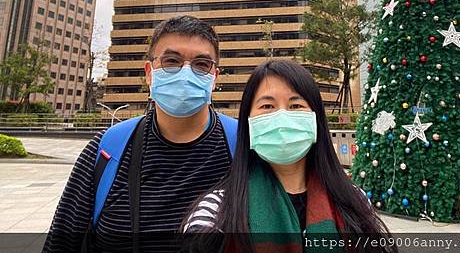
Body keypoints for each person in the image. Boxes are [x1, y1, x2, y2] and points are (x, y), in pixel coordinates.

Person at [43, 16, 236, 252]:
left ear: (214, 77)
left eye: (201, 64)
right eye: (171, 61)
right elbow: (60, 244)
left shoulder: (243, 147)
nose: (186, 73)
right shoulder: (107, 150)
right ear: (149, 72)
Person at [182, 59, 393, 253]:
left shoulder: (354, 200)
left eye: (296, 105)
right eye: (267, 106)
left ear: (315, 119)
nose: (282, 115)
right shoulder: (216, 210)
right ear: (248, 121)